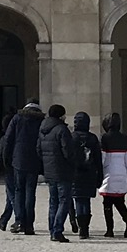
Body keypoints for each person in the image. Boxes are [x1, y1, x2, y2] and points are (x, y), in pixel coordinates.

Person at [0, 100, 44, 234]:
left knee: (19, 192)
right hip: (34, 161)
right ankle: (29, 226)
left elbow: (8, 139)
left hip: (18, 161)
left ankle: (20, 221)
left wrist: (6, 160)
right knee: (30, 193)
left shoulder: (17, 118)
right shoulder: (41, 120)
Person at [38, 104, 79, 243]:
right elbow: (68, 151)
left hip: (49, 171)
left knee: (53, 202)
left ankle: (52, 230)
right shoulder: (62, 129)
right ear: (61, 115)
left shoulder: (43, 129)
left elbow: (38, 149)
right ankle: (57, 230)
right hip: (63, 171)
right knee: (64, 201)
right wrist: (74, 163)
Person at [97, 113, 127, 237]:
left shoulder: (105, 138)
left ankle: (110, 230)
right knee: (120, 202)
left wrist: (99, 173)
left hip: (109, 173)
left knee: (107, 203)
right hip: (122, 173)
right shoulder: (124, 138)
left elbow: (103, 158)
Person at [69, 111, 103, 239]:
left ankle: (80, 226)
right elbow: (98, 159)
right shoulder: (92, 138)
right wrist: (100, 175)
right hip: (89, 173)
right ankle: (85, 228)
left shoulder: (72, 137)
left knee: (78, 199)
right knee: (86, 201)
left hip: (75, 173)